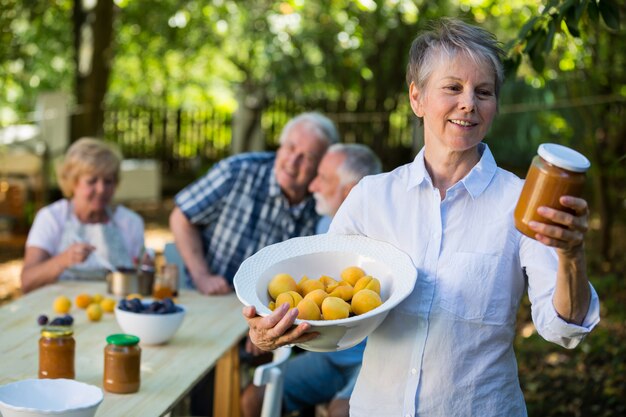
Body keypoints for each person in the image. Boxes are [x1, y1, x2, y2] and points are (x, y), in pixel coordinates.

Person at [243, 18, 600, 417]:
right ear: (417, 98)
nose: (469, 102)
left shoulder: (520, 202)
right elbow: (326, 305)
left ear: (495, 106)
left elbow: (561, 326)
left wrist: (571, 255)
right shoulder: (371, 197)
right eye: (452, 87)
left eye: (483, 92)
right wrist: (271, 331)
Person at [241, 143, 382, 417]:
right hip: (328, 357)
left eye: (323, 179)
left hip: (374, 359)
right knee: (253, 399)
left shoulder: (385, 231)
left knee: (342, 411)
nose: (313, 185)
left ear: (350, 191)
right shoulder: (323, 223)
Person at [169, 112, 339, 295]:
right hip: (217, 297)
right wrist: (202, 276)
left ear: (320, 167)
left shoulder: (323, 203)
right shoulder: (237, 171)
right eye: (290, 148)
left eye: (308, 157)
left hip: (277, 313)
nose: (293, 161)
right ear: (280, 147)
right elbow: (181, 217)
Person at [21, 137, 146, 293]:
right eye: (91, 181)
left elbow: (141, 278)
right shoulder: (51, 218)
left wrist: (146, 268)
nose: (101, 189)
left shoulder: (130, 222)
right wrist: (63, 260)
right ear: (73, 182)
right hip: (60, 309)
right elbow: (27, 282)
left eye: (108, 181)